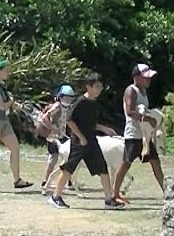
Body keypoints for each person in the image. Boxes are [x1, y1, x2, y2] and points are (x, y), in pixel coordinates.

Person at [48, 72, 125, 210]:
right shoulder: (81, 102)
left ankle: (109, 200)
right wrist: (81, 137)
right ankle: (55, 197)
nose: (99, 90)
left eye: (101, 87)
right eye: (96, 87)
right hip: (79, 142)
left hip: (92, 140)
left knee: (102, 168)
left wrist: (105, 129)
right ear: (88, 87)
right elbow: (69, 121)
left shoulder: (93, 103)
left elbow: (91, 123)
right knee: (69, 168)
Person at [112, 63, 167, 204]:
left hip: (144, 137)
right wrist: (148, 118)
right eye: (146, 78)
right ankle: (114, 194)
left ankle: (166, 192)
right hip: (133, 135)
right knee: (126, 163)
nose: (149, 80)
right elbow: (130, 112)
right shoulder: (131, 91)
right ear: (137, 77)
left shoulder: (144, 92)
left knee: (156, 162)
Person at [0, 58, 33, 192]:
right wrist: (12, 101)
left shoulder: (2, 87)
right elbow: (2, 106)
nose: (7, 72)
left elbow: (7, 104)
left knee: (15, 147)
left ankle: (17, 180)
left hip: (3, 122)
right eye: (5, 70)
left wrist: (17, 106)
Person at [38, 84, 76, 195]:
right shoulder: (57, 106)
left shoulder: (67, 107)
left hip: (63, 136)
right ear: (60, 96)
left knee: (68, 159)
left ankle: (68, 181)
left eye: (70, 97)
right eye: (66, 97)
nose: (68, 99)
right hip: (53, 138)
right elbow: (43, 118)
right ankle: (45, 182)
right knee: (53, 159)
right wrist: (52, 128)